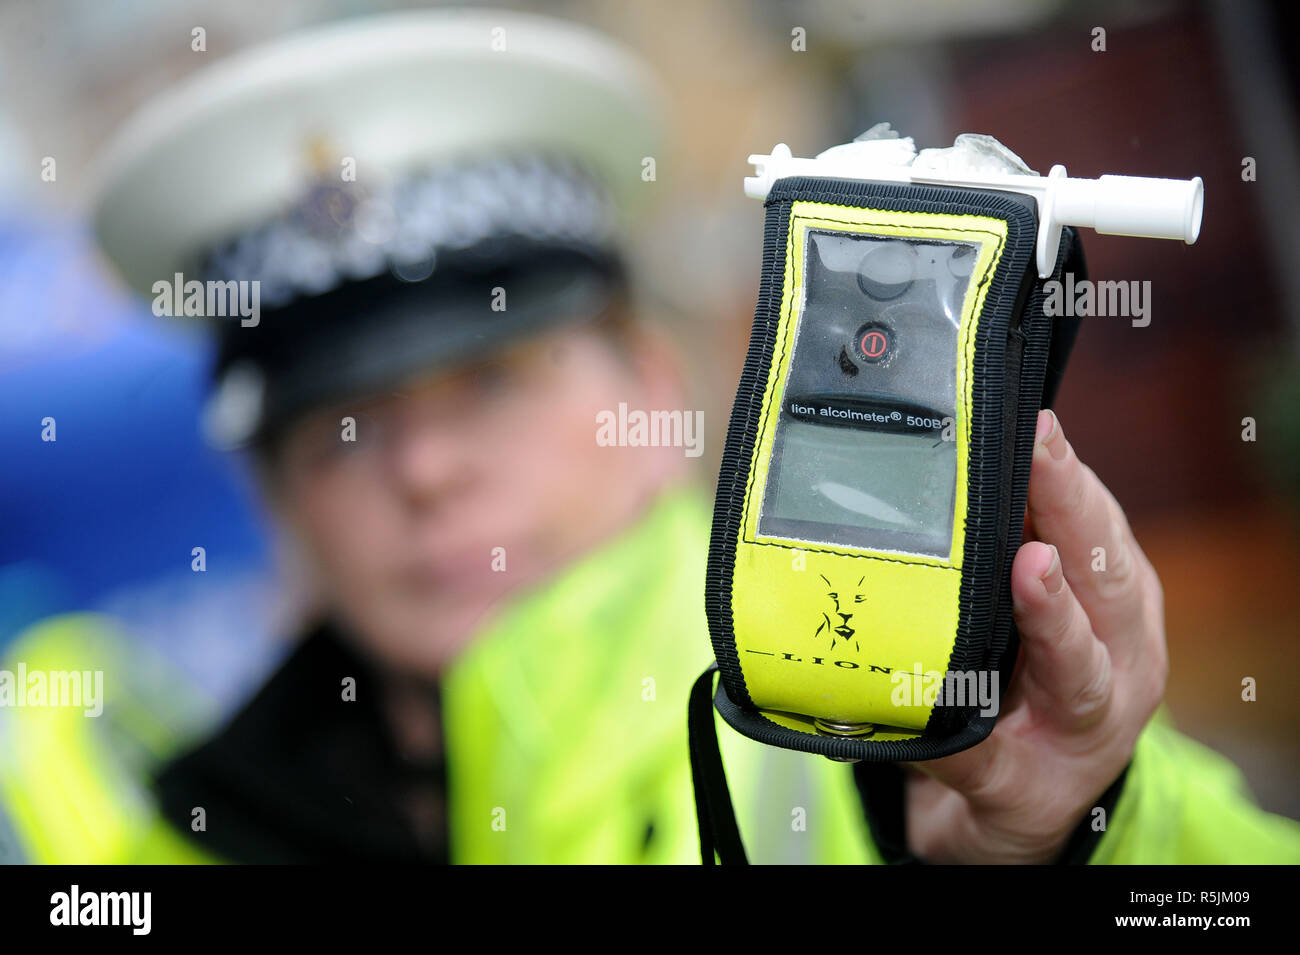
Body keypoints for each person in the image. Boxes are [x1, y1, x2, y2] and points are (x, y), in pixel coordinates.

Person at [1, 8, 1297, 866]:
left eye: (492, 384)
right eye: (340, 431)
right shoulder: (146, 821)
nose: (426, 472)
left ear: (654, 375)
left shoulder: (939, 720)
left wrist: (1083, 827)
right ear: (273, 493)